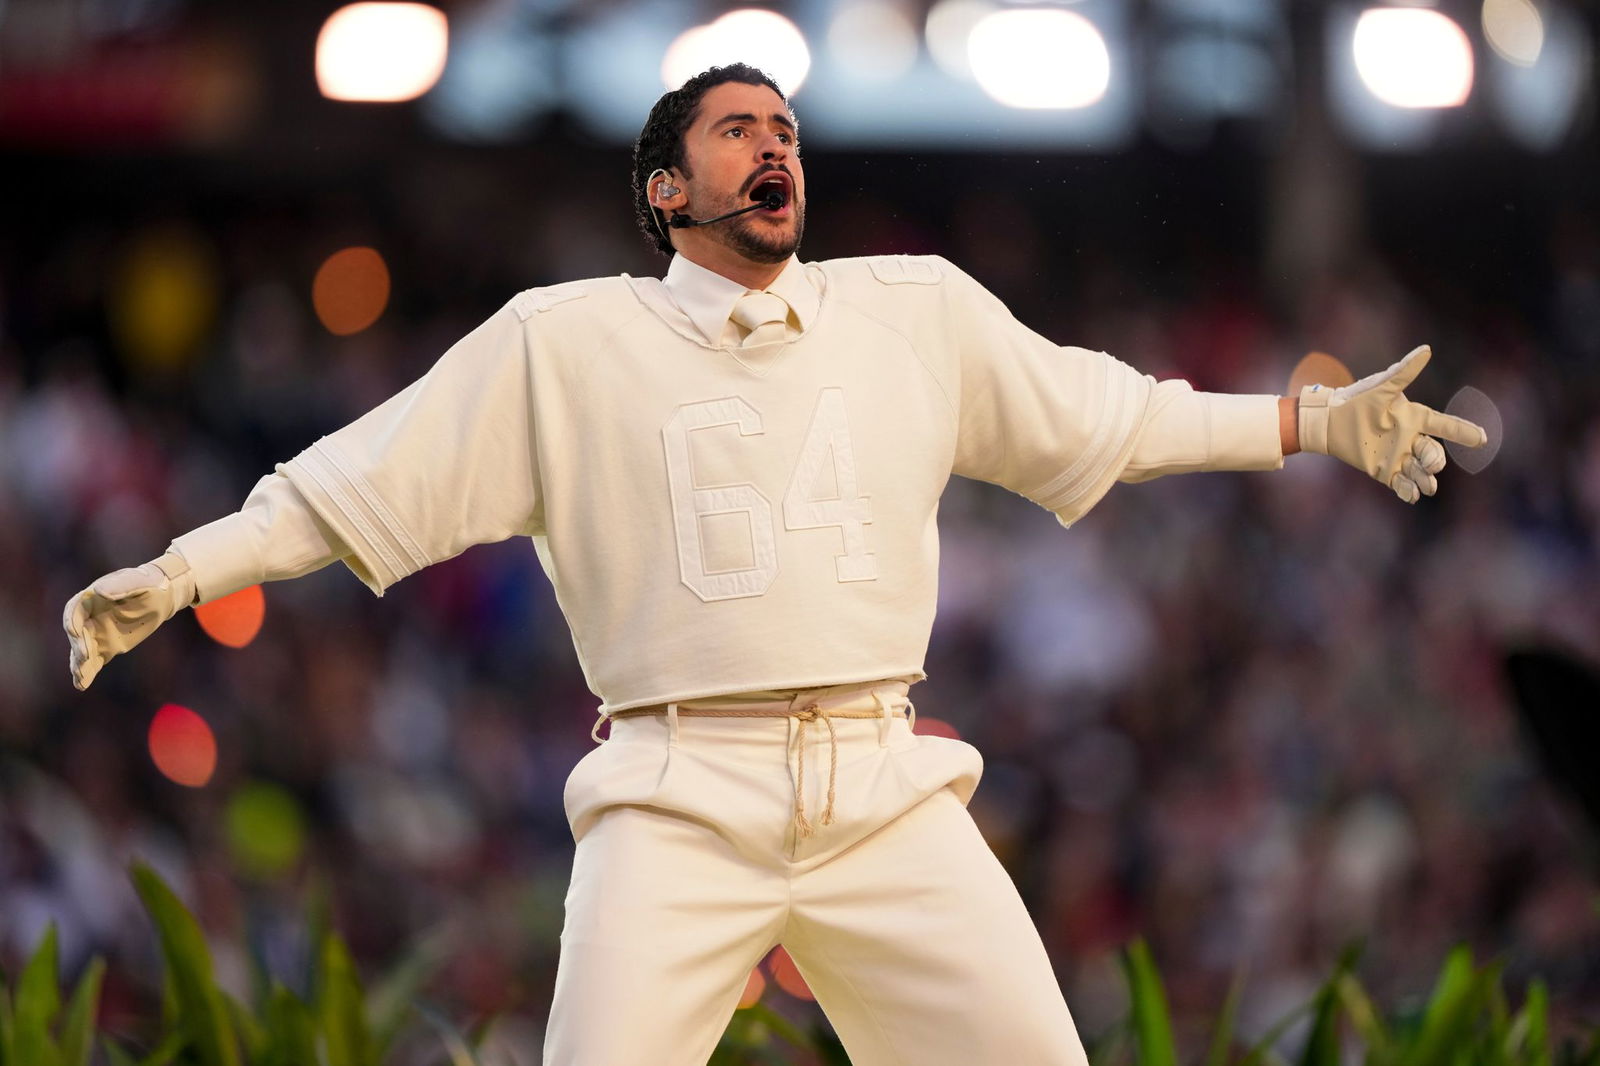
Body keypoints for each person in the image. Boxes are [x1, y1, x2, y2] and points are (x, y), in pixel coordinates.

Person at [63, 63, 1487, 1065]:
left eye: (789, 127)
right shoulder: (563, 338)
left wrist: (1308, 418)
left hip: (884, 782)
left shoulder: (913, 308)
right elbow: (360, 473)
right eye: (738, 128)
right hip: (676, 799)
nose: (775, 145)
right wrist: (195, 564)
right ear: (667, 187)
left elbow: (1114, 412)